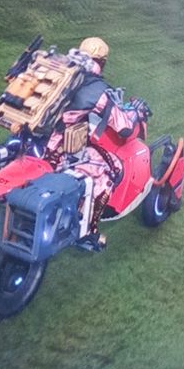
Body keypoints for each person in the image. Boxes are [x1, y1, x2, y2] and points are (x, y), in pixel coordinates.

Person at [44, 36, 151, 251]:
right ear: (102, 62)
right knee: (109, 171)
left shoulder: (62, 73)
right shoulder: (96, 89)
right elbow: (124, 128)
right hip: (66, 146)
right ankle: (87, 234)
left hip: (45, 141)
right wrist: (138, 112)